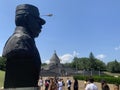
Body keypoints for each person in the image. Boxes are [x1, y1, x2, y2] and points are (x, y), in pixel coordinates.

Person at [2, 4, 45, 88]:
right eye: (38, 21)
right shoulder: (21, 40)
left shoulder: (25, 40)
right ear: (27, 18)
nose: (41, 26)